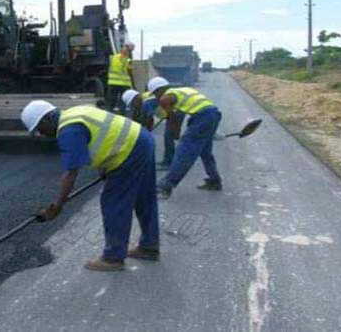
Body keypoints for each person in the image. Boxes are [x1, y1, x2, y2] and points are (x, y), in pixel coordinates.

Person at [21, 100, 159, 271]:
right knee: (144, 198)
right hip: (142, 139)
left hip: (129, 151)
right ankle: (149, 247)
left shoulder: (69, 131)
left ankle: (113, 258)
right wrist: (104, 168)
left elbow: (71, 173)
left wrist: (58, 205)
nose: (41, 134)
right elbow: (105, 135)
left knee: (113, 203)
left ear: (46, 119)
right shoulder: (74, 113)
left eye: (39, 129)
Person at [148, 76, 223, 198]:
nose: (156, 98)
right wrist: (176, 133)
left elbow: (173, 119)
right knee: (205, 152)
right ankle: (214, 181)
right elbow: (179, 116)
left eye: (155, 94)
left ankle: (165, 186)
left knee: (184, 152)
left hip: (202, 117)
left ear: (159, 90)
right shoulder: (182, 91)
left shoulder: (165, 98)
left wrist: (177, 135)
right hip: (213, 114)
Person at [121, 89, 177, 170]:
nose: (133, 106)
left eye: (132, 104)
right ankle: (168, 160)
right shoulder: (142, 100)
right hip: (168, 111)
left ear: (135, 98)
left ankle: (169, 162)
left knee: (168, 136)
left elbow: (149, 119)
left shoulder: (146, 102)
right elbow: (139, 118)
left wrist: (145, 132)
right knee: (167, 136)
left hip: (174, 110)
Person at [106, 43, 135, 113]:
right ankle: (121, 114)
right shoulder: (128, 60)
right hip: (124, 84)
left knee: (111, 101)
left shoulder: (113, 57)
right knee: (123, 101)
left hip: (112, 83)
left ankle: (109, 113)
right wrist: (133, 85)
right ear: (129, 51)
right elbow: (130, 72)